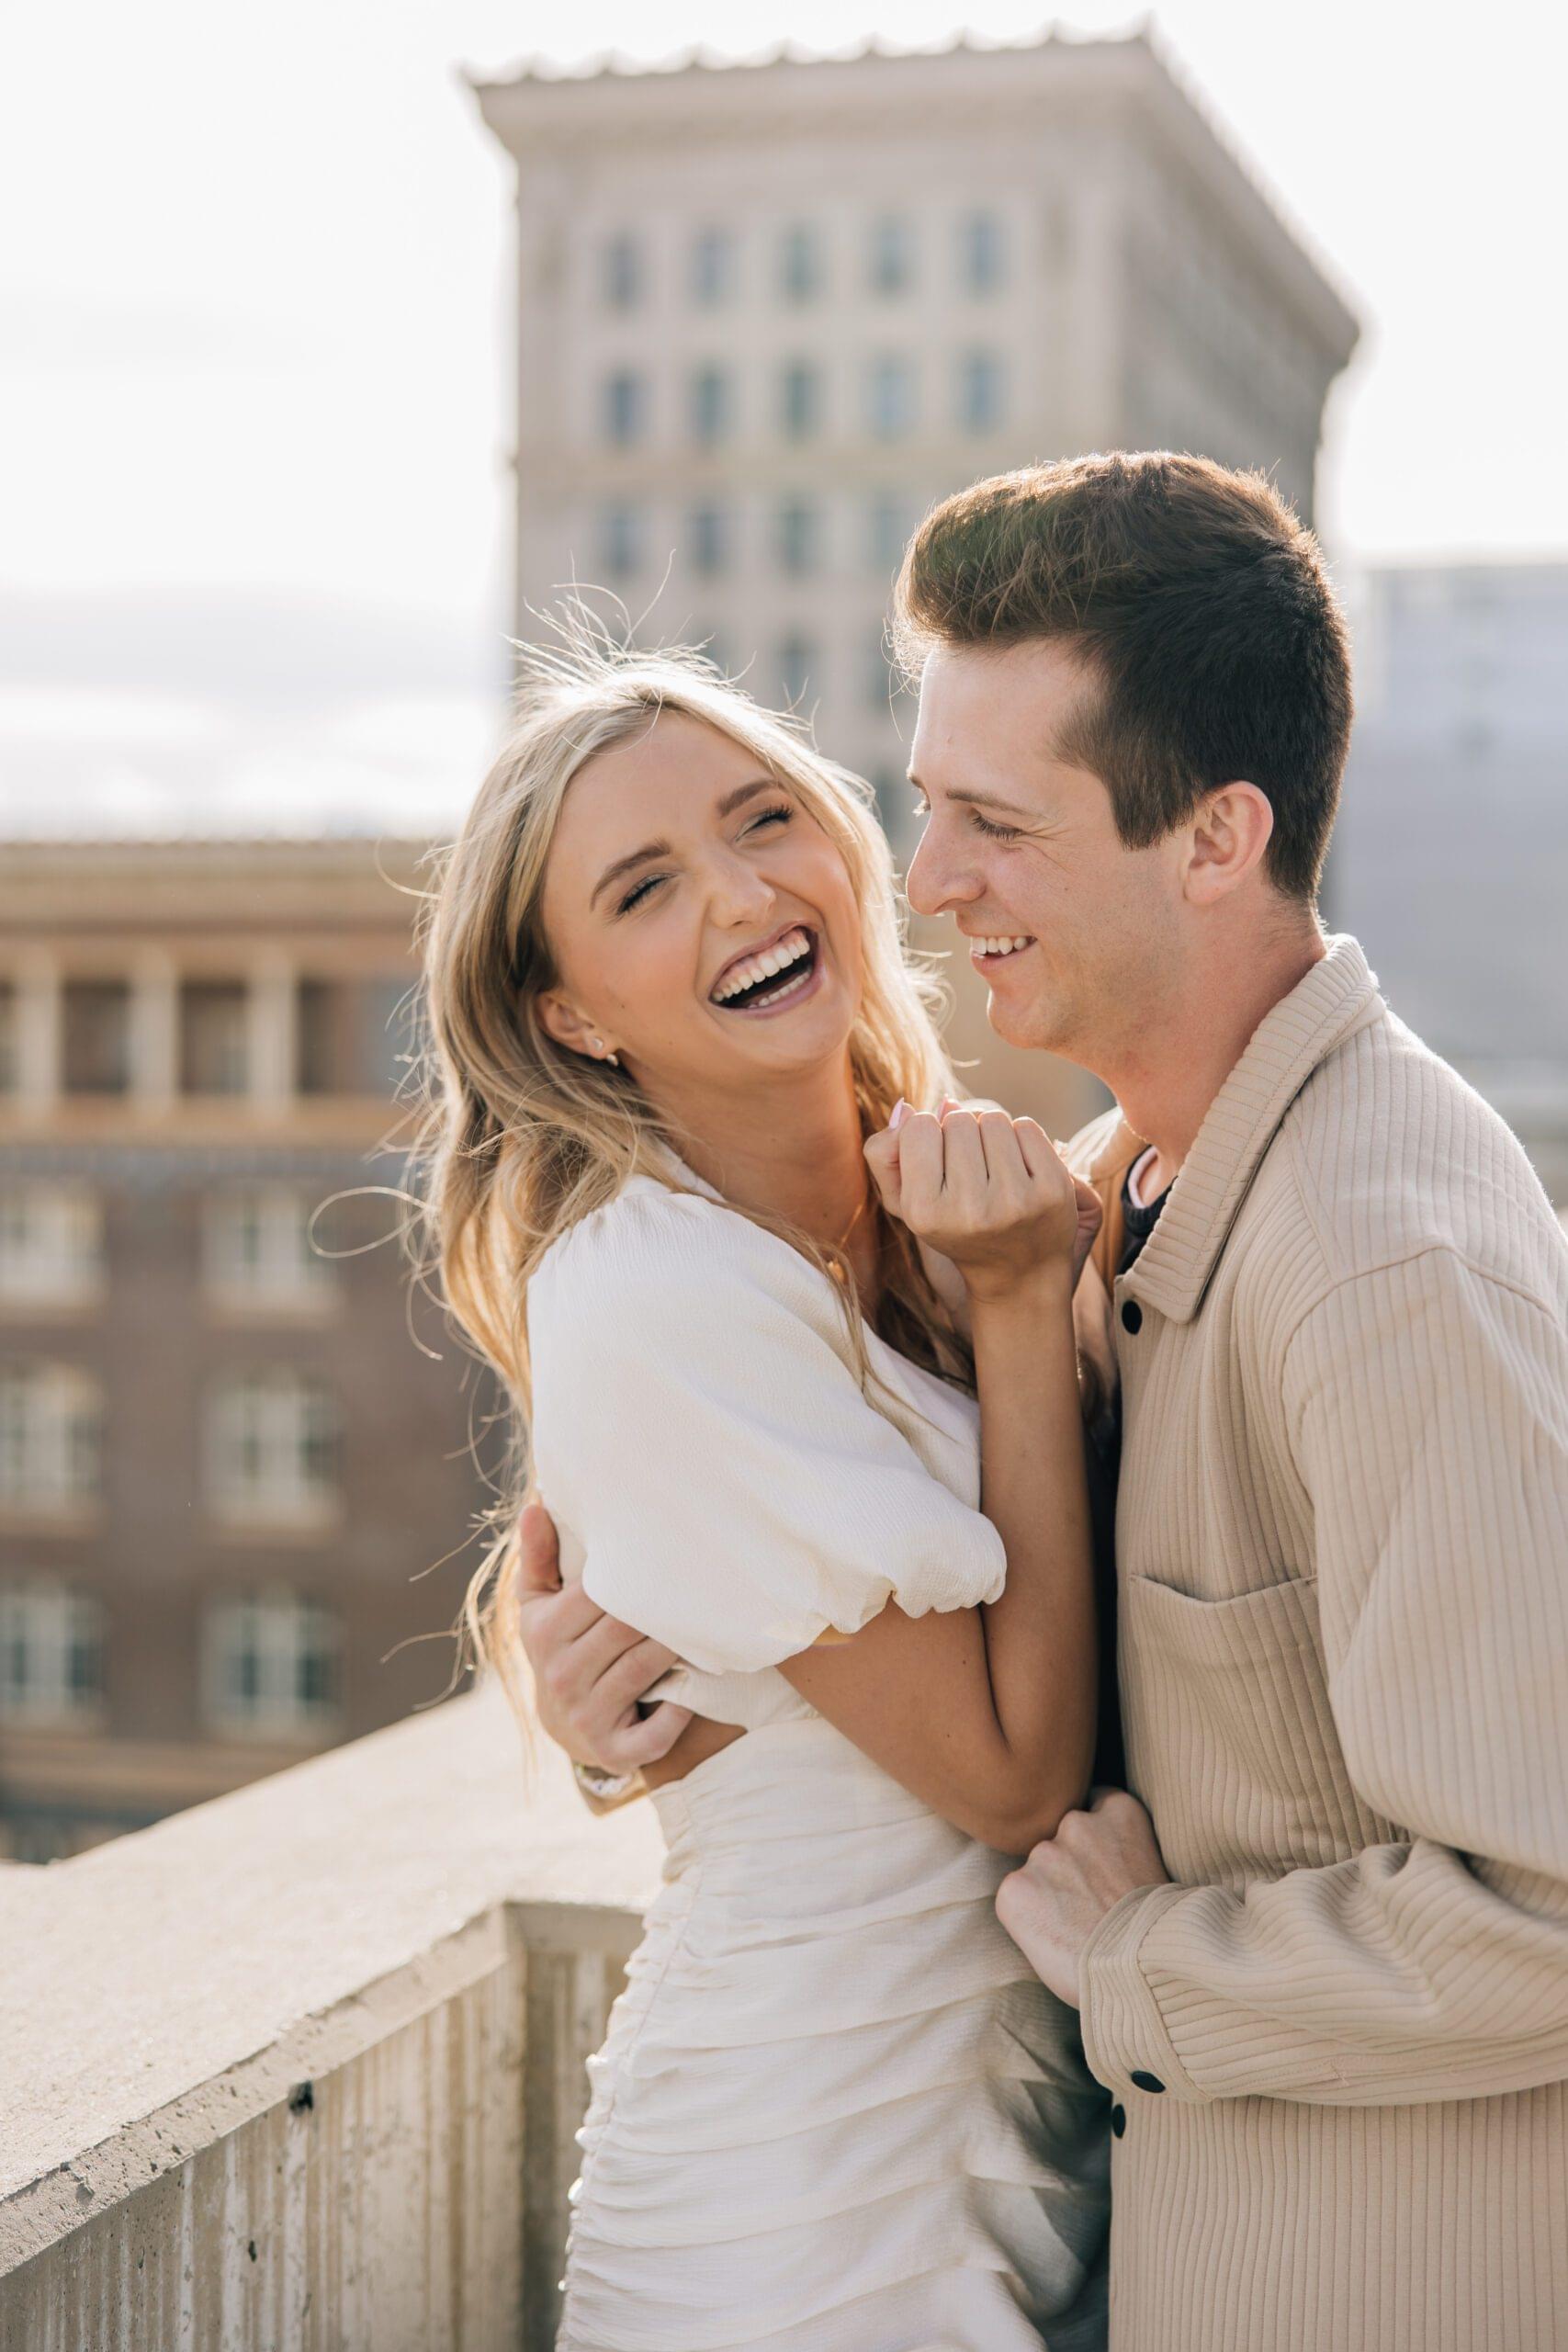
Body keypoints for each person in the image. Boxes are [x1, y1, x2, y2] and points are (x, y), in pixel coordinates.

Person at [522, 455, 1568, 2352]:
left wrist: (1139, 1956)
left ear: (1210, 836)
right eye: (924, 810)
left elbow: (1548, 1898)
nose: (924, 884)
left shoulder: (1373, 1256)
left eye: (993, 823)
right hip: (948, 2233)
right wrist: (617, 1667)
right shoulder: (1111, 1194)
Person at [416, 634, 1113, 2351]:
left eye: (761, 819)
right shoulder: (652, 1297)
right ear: (568, 1011)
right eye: (646, 887)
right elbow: (1016, 1778)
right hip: (796, 2209)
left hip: (995, 2142)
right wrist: (1026, 1315)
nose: (742, 896)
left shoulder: (934, 1192)